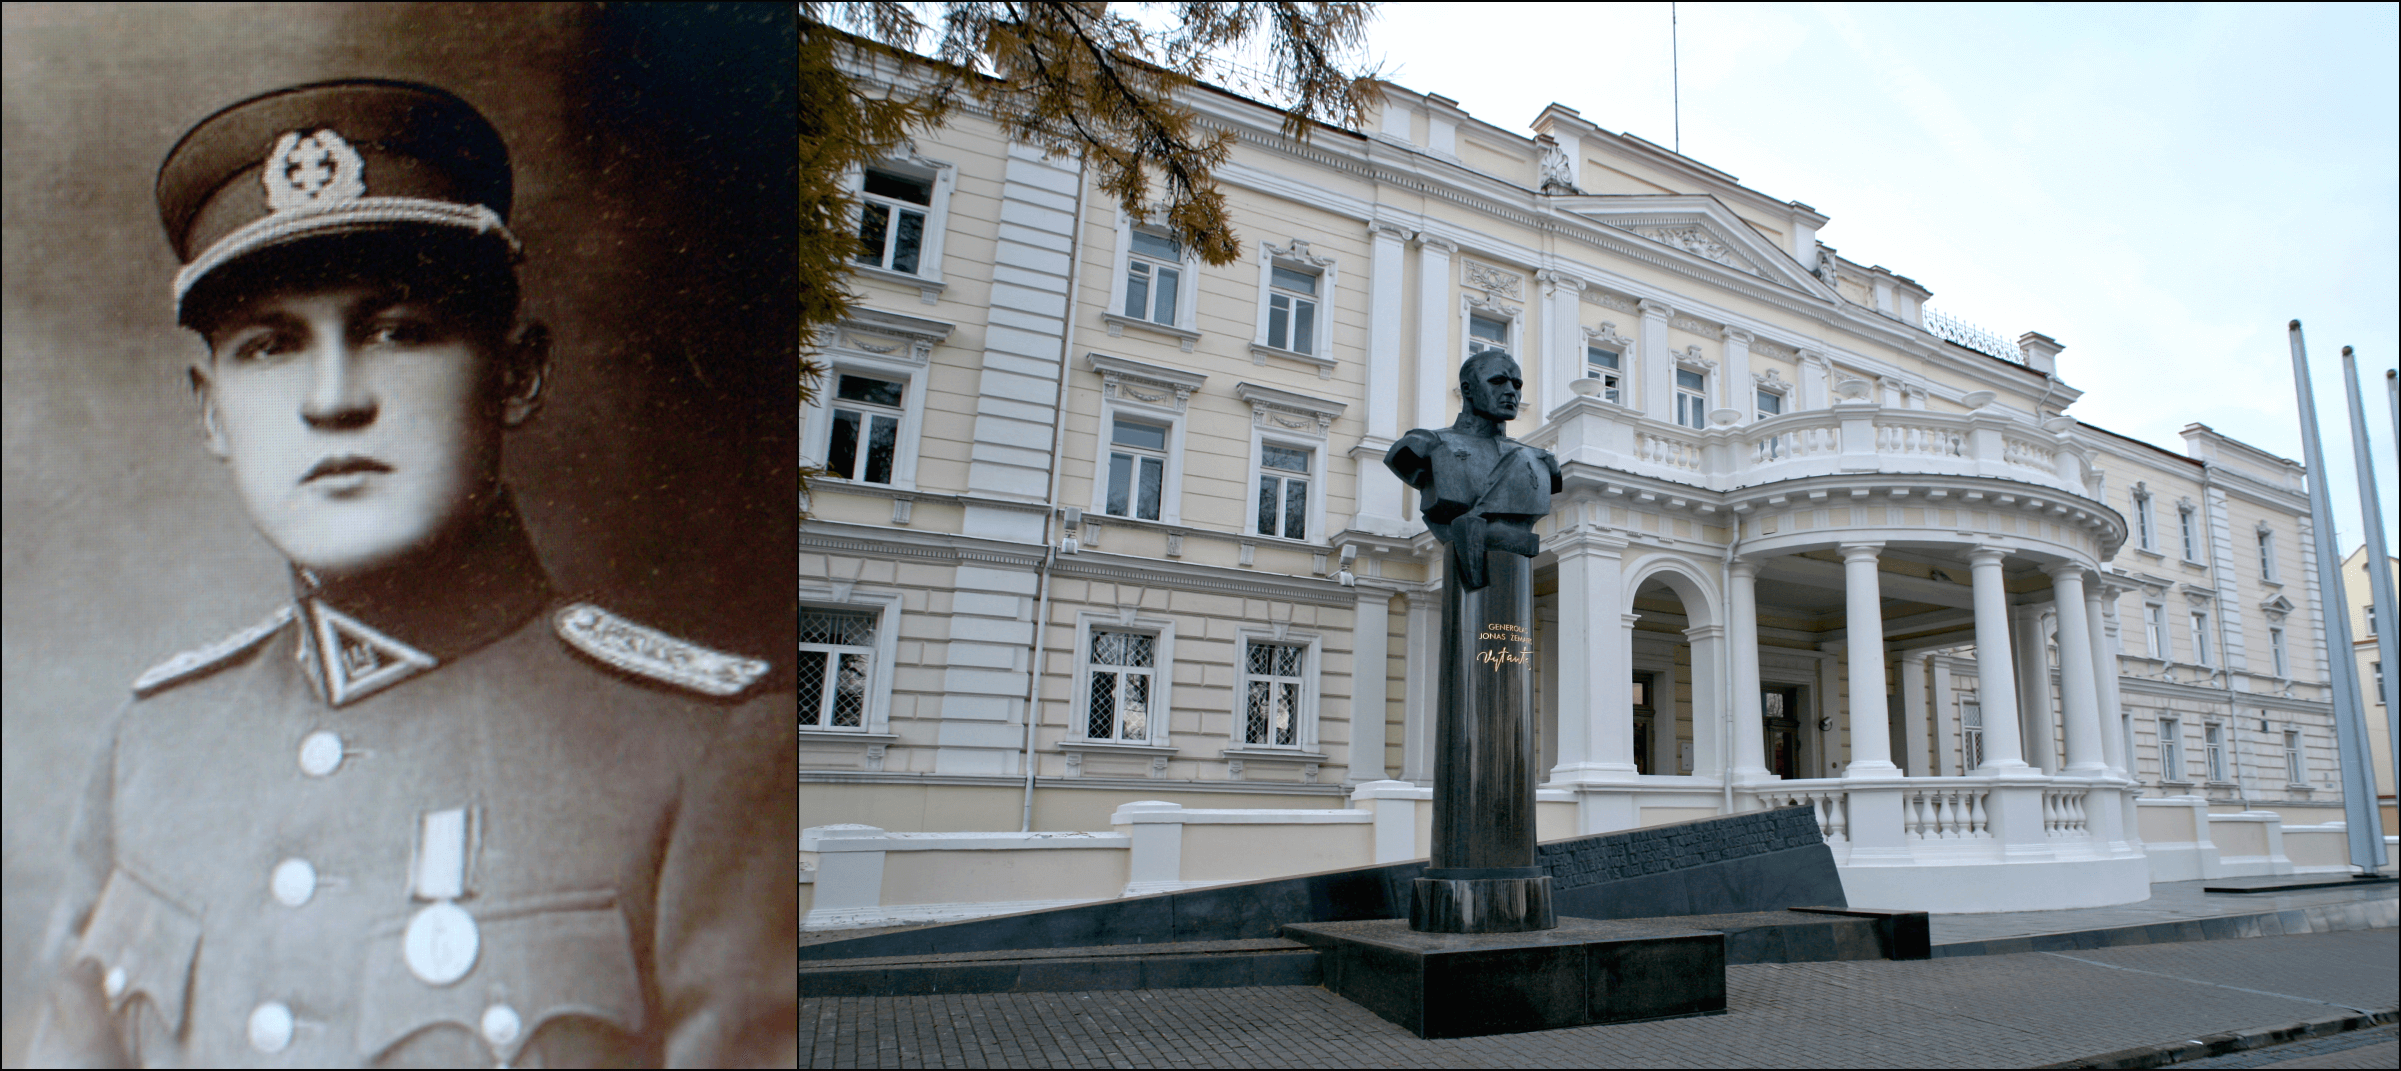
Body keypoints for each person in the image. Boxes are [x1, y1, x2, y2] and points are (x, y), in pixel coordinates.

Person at [25, 79, 795, 1068]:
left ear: (515, 372)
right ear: (213, 414)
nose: (334, 400)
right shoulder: (154, 746)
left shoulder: (704, 752)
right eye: (271, 346)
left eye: (399, 332)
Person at [1384, 350, 1565, 588]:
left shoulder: (1541, 460)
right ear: (1467, 389)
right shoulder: (1424, 444)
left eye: (1517, 384)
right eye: (1498, 381)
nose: (1511, 391)